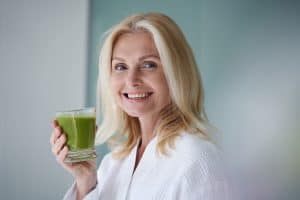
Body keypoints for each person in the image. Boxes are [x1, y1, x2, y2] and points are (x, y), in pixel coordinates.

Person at [50, 12, 230, 200]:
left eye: (148, 65)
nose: (131, 80)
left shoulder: (198, 160)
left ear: (176, 73)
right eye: (120, 67)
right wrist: (85, 181)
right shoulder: (113, 163)